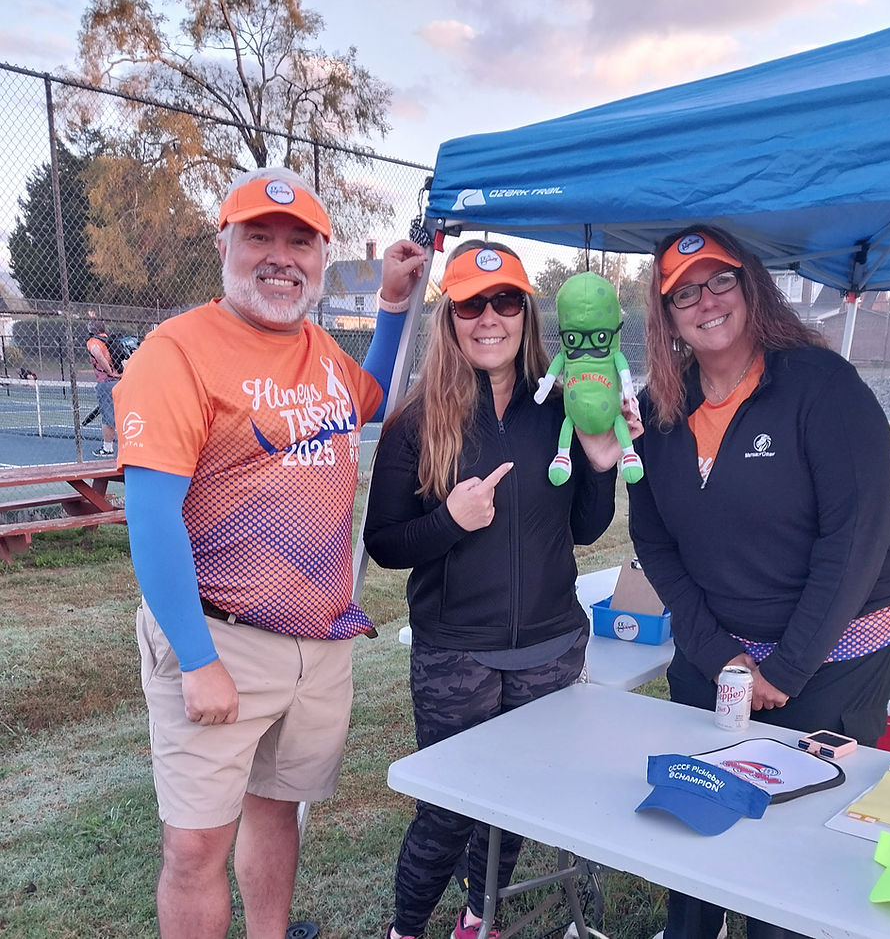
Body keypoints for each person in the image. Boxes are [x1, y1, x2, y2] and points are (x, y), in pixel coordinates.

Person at [113, 165, 427, 939]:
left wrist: (391, 306)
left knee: (277, 808)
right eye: (259, 236)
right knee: (194, 844)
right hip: (220, 634)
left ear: (321, 258)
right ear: (224, 244)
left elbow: (373, 397)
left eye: (299, 242)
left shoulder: (320, 348)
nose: (280, 257)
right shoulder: (177, 351)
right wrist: (195, 659)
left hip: (315, 643)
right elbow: (151, 518)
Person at [629, 226, 890, 939]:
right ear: (667, 317)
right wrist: (715, 652)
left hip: (834, 650)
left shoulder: (821, 386)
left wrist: (785, 668)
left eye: (720, 279)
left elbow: (855, 536)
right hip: (720, 649)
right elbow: (654, 541)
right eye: (683, 292)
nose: (706, 301)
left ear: (751, 284)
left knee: (793, 855)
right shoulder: (658, 410)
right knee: (693, 823)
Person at [363, 241, 637, 939]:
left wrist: (601, 461)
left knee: (514, 801)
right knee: (448, 809)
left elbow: (584, 526)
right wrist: (450, 522)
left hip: (549, 647)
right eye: (470, 304)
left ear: (527, 313)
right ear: (450, 317)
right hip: (459, 655)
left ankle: (478, 914)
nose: (490, 318)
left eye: (506, 301)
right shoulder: (416, 423)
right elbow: (385, 543)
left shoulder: (562, 404)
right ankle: (405, 929)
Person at [86, 317, 121, 457]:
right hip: (121, 380)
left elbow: (98, 356)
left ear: (93, 330)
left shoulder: (93, 342)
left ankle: (108, 448)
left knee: (108, 416)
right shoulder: (111, 340)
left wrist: (110, 372)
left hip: (107, 382)